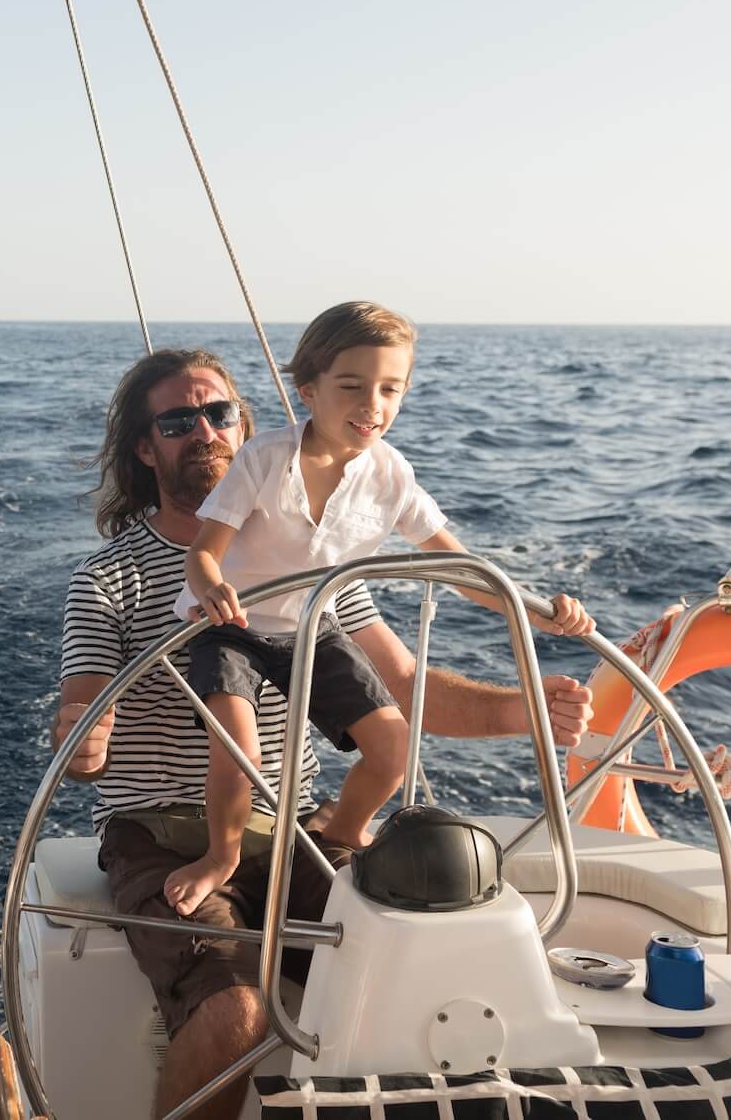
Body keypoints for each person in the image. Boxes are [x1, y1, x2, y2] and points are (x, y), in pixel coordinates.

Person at [55, 348, 594, 1120]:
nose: (204, 432)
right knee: (237, 1017)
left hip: (299, 833)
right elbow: (80, 719)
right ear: (146, 449)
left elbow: (403, 689)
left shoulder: (305, 559)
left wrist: (523, 710)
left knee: (440, 964)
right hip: (161, 839)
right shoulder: (108, 580)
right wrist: (86, 740)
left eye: (220, 414)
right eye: (178, 420)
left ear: (246, 428)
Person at [165, 303, 595, 914]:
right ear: (308, 390)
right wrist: (210, 588)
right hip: (227, 625)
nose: (373, 405)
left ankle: (338, 834)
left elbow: (460, 569)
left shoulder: (391, 474)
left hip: (312, 625)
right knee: (240, 752)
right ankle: (221, 858)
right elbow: (204, 555)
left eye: (390, 389)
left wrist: (538, 611)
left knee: (392, 745)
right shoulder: (261, 459)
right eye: (353, 386)